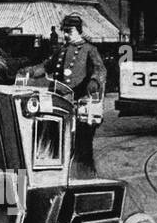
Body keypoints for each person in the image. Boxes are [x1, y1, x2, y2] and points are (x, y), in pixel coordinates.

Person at [29, 14, 107, 177]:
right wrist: (29, 71)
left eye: (69, 31)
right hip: (60, 103)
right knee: (54, 140)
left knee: (82, 144)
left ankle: (84, 175)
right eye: (64, 31)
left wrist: (94, 81)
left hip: (80, 103)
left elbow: (100, 69)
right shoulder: (62, 50)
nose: (65, 34)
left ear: (78, 31)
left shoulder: (90, 50)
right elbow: (45, 66)